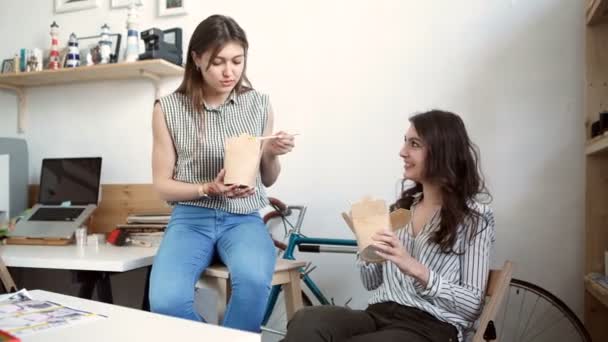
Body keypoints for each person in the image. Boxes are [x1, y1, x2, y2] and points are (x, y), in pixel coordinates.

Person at [282, 110, 495, 342]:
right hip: (379, 314)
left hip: (433, 326)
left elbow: (473, 306)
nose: (402, 152)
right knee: (307, 321)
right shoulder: (400, 210)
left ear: (442, 151)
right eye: (405, 142)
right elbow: (371, 283)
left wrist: (415, 269)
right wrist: (366, 246)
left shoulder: (475, 218)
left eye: (414, 144)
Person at [149, 14, 295, 332]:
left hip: (243, 218)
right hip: (191, 219)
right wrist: (206, 188)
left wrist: (270, 152)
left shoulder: (258, 105)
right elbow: (162, 186)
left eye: (237, 61)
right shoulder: (168, 108)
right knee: (165, 302)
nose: (229, 72)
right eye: (218, 62)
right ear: (197, 58)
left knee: (255, 282)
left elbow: (267, 179)